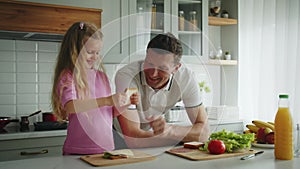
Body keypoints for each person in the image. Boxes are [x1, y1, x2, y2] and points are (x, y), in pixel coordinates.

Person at [51, 22, 138, 155]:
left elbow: (108, 113)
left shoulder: (101, 77)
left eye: (97, 52)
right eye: (90, 52)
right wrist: (107, 100)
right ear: (74, 51)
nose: (95, 57)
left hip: (105, 149)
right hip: (78, 151)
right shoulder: (68, 76)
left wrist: (124, 104)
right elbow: (71, 106)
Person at [114, 33, 210, 148]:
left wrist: (171, 131)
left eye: (162, 68)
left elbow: (204, 132)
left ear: (176, 68)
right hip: (116, 136)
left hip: (148, 137)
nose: (153, 74)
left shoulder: (186, 78)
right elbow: (133, 139)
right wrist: (184, 137)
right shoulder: (127, 76)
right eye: (149, 63)